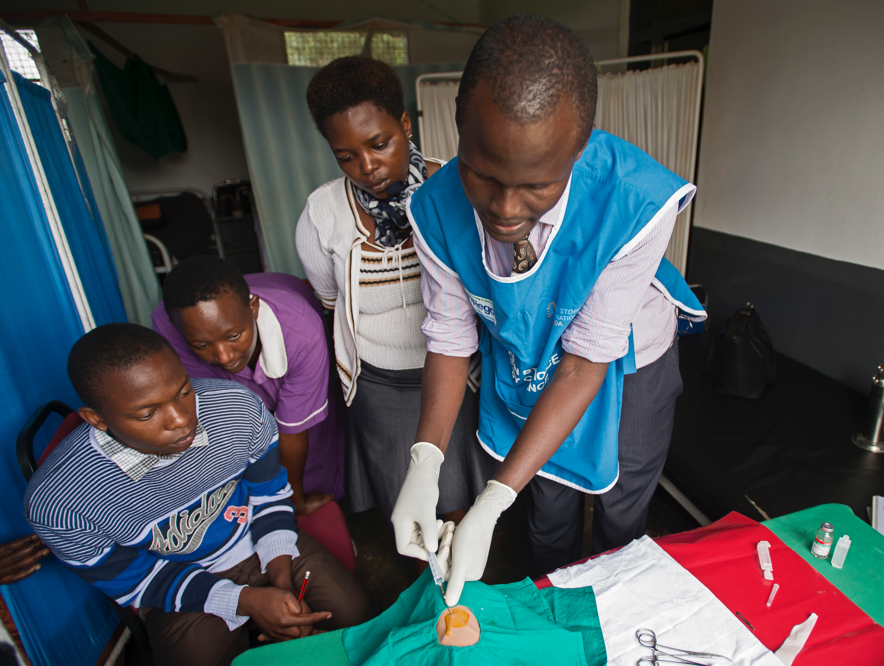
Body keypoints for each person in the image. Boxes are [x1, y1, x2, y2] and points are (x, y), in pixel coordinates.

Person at [392, 15, 705, 606]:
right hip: (528, 355)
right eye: (482, 175)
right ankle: (550, 612)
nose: (505, 209)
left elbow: (587, 361)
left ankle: (610, 612)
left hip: (629, 358)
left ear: (580, 149)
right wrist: (425, 461)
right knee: (547, 498)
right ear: (459, 128)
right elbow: (452, 334)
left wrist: (490, 499)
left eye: (538, 185)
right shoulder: (434, 209)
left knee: (620, 509)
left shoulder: (634, 201)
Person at [24, 324, 372, 666]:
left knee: (359, 621)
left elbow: (270, 492)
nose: (181, 419)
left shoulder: (237, 409)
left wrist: (280, 580)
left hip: (262, 541)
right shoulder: (59, 501)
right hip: (177, 580)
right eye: (148, 413)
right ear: (96, 419)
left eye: (183, 391)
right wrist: (246, 601)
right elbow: (134, 578)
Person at [295, 56, 496, 527]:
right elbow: (330, 302)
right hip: (380, 382)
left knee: (458, 490)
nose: (366, 166)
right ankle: (427, 591)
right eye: (345, 156)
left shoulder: (458, 187)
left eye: (380, 143)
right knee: (405, 501)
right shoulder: (324, 213)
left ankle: (460, 593)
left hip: (458, 373)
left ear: (405, 123)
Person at [152, 256, 341, 516]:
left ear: (254, 308)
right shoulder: (170, 324)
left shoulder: (302, 333)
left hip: (293, 318)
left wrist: (295, 500)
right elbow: (215, 415)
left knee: (307, 434)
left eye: (233, 336)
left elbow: (293, 431)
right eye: (201, 345)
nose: (224, 356)